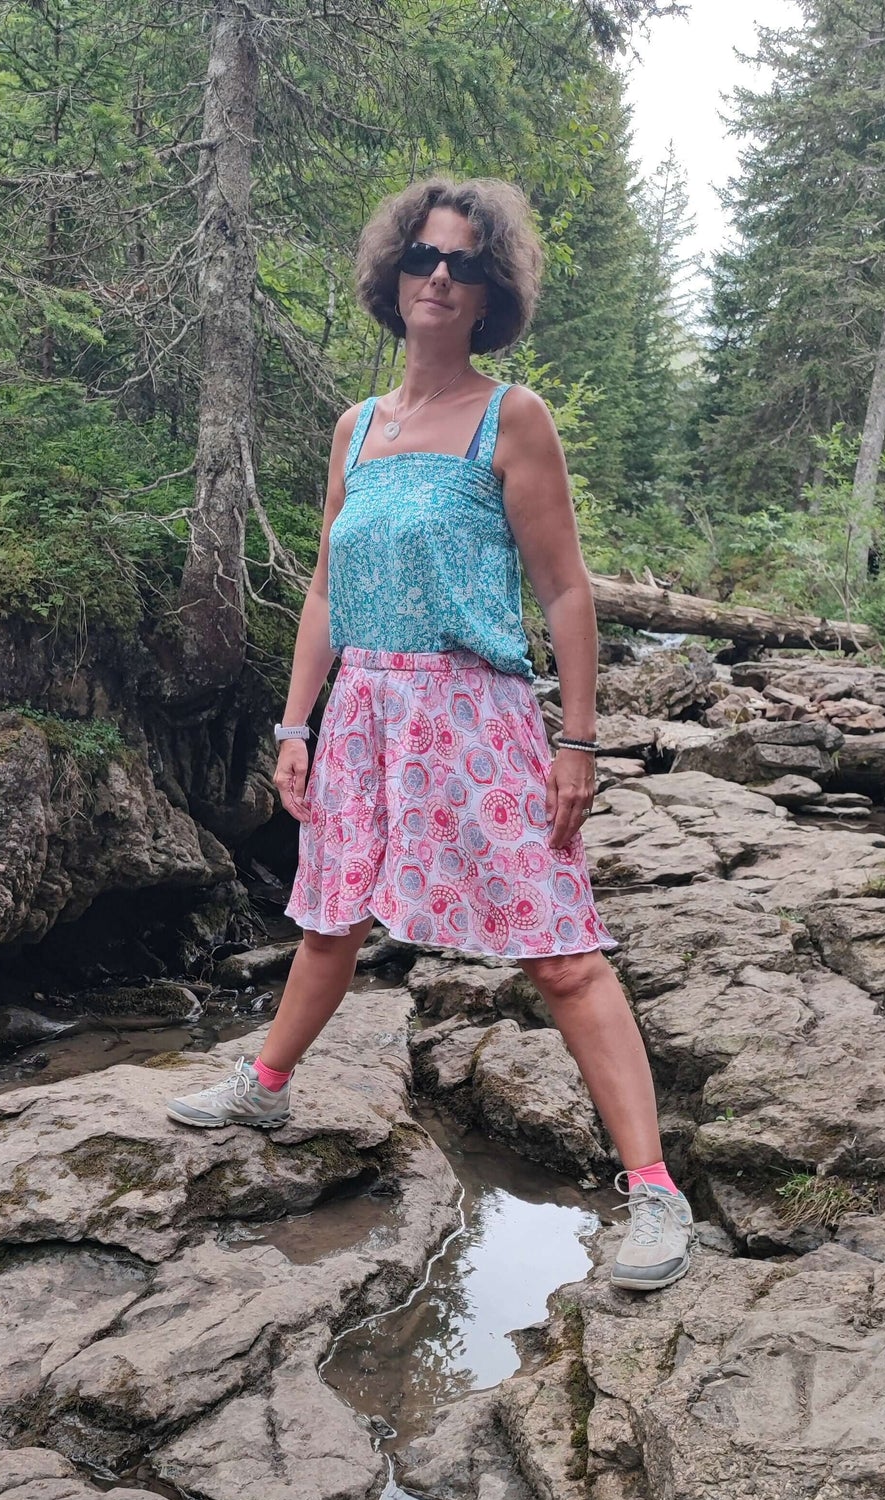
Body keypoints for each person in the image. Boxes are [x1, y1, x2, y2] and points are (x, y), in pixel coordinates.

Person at [167, 176, 693, 1292]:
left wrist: (578, 742)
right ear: (391, 276)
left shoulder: (514, 419)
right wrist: (294, 722)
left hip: (475, 717)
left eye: (461, 263)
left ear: (490, 289)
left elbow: (563, 594)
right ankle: (263, 1089)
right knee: (326, 919)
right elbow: (322, 587)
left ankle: (650, 1192)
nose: (437, 277)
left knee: (559, 951)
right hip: (360, 713)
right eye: (420, 257)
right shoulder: (354, 428)